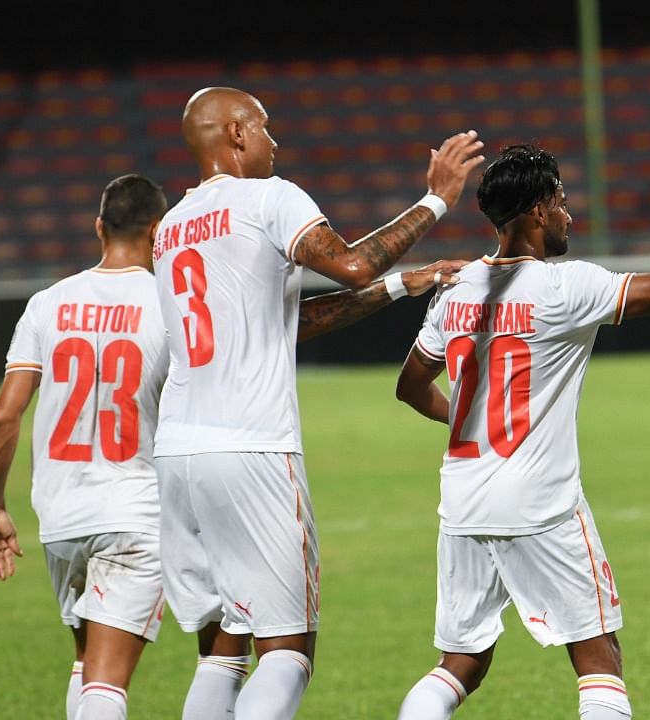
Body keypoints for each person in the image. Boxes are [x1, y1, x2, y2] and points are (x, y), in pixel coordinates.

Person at [392, 143, 650, 720]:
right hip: (539, 504)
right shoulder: (561, 288)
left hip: (462, 500)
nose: (568, 214)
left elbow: (409, 385)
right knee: (599, 658)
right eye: (560, 201)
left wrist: (463, 420)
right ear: (535, 212)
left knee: (460, 663)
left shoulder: (454, 290)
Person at [152, 86, 484, 720]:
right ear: (238, 135)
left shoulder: (172, 228)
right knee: (288, 650)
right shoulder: (270, 198)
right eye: (266, 128)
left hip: (179, 453)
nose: (276, 142)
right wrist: (437, 199)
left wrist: (396, 287)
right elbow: (353, 264)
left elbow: (281, 322)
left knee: (226, 644)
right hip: (251, 447)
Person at [0, 174, 172, 720]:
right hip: (135, 513)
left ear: (98, 228)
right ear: (159, 232)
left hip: (62, 518)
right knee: (107, 683)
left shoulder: (48, 303)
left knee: (87, 665)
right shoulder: (168, 306)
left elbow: (3, 419)